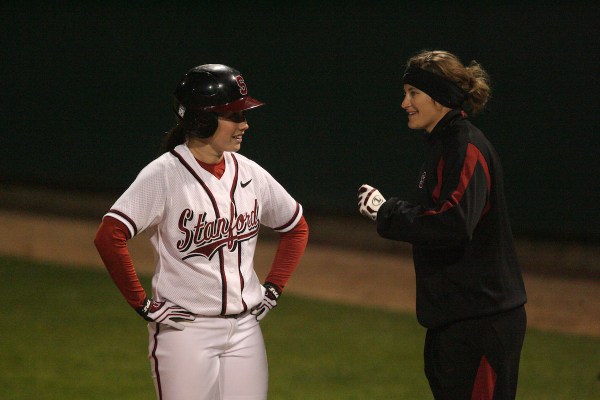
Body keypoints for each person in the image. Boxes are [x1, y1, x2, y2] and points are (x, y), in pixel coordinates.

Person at [95, 63, 309, 400]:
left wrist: (274, 288)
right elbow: (109, 236)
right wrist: (142, 304)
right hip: (186, 333)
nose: (244, 124)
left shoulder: (249, 171)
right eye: (234, 116)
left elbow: (296, 227)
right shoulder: (164, 174)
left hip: (245, 330)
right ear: (201, 119)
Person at [357, 50, 527, 399]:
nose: (405, 103)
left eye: (413, 93)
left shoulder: (464, 147)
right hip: (457, 316)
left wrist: (386, 211)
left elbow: (453, 222)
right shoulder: (445, 144)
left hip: (481, 320)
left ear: (438, 97)